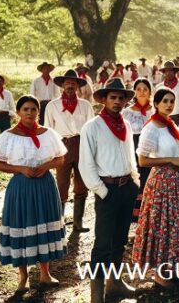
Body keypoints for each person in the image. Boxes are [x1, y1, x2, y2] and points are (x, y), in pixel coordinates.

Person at [132, 88, 179, 289]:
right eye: (164, 101)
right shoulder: (152, 127)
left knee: (175, 224)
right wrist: (170, 160)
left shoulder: (171, 125)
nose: (169, 104)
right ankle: (159, 275)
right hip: (162, 182)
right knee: (162, 224)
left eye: (172, 101)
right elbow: (143, 159)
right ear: (156, 104)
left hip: (178, 182)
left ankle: (171, 270)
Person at [0, 95, 67, 293]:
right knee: (23, 223)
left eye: (33, 109)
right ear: (18, 112)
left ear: (38, 112)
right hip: (22, 187)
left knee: (42, 222)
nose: (29, 112)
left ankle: (45, 273)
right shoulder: (9, 136)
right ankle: (23, 275)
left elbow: (60, 159)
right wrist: (21, 169)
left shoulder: (48, 134)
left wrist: (46, 165)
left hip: (44, 186)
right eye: (25, 109)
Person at [78, 78, 140, 302]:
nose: (116, 101)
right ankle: (97, 294)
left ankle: (114, 284)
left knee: (120, 239)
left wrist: (135, 181)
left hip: (127, 188)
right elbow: (86, 164)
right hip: (108, 189)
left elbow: (130, 155)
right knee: (103, 244)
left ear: (125, 101)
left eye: (120, 98)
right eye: (112, 97)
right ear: (104, 99)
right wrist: (101, 190)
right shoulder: (92, 127)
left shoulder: (127, 124)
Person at [45, 70, 94, 233]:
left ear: (78, 86)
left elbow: (91, 130)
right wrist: (52, 152)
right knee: (61, 183)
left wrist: (92, 151)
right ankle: (58, 222)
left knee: (81, 184)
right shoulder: (52, 106)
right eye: (67, 83)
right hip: (62, 145)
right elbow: (48, 130)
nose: (70, 86)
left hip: (81, 144)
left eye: (74, 83)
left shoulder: (85, 106)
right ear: (62, 85)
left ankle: (78, 222)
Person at [122, 79, 154, 223]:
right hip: (133, 150)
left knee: (150, 182)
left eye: (145, 89)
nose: (142, 92)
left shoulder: (155, 110)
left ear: (150, 92)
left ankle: (150, 219)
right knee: (135, 184)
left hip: (152, 152)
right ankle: (135, 220)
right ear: (134, 92)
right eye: (139, 89)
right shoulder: (126, 112)